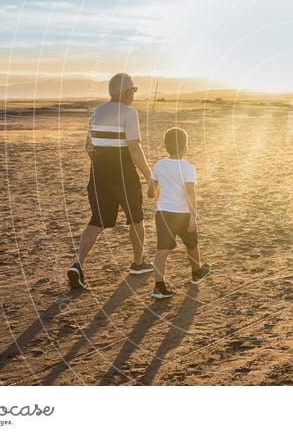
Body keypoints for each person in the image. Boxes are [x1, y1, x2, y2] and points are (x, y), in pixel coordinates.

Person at [68, 73, 155, 290]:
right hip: (124, 174)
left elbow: (88, 146)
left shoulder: (97, 111)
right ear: (126, 92)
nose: (134, 95)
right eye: (133, 90)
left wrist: (100, 164)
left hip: (98, 174)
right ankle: (138, 263)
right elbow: (134, 150)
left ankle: (78, 265)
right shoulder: (128, 112)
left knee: (97, 221)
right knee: (136, 218)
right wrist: (149, 177)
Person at [148, 127, 211, 299]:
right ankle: (197, 272)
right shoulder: (188, 167)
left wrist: (161, 188)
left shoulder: (159, 165)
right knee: (192, 243)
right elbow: (190, 192)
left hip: (163, 213)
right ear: (185, 147)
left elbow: (151, 193)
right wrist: (193, 216)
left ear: (166, 146)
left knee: (162, 249)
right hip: (182, 213)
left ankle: (159, 286)